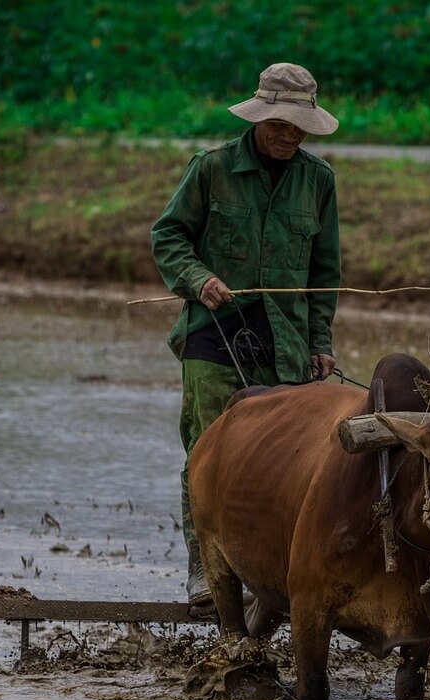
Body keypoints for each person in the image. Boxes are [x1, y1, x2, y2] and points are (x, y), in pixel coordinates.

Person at [151, 62, 342, 616]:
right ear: (260, 118)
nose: (289, 135)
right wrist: (198, 279)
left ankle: (272, 573)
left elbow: (324, 271)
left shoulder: (319, 181)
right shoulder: (211, 170)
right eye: (280, 124)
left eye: (299, 126)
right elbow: (168, 236)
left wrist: (319, 340)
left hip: (285, 344)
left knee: (279, 462)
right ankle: (204, 571)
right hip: (213, 335)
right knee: (206, 453)